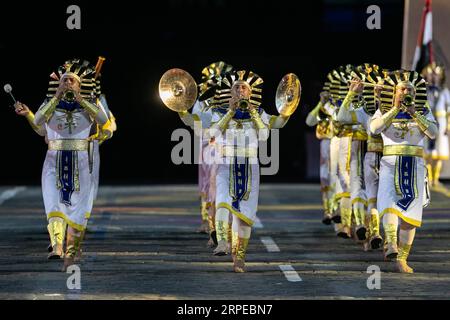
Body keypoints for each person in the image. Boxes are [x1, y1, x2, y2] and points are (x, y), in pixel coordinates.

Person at [14, 59, 109, 271]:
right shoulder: (50, 103)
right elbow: (40, 126)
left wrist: (80, 98)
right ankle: (57, 246)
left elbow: (103, 120)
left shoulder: (89, 103)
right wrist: (32, 112)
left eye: (72, 81)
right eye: (64, 80)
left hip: (80, 160)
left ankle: (72, 250)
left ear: (79, 84)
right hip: (53, 160)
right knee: (53, 202)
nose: (67, 83)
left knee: (78, 206)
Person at [208, 70, 291, 272]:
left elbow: (264, 135)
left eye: (244, 87)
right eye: (236, 87)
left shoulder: (260, 113)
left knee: (245, 214)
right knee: (222, 201)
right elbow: (212, 133)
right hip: (226, 161)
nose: (240, 90)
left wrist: (253, 112)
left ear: (251, 92)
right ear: (231, 91)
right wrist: (230, 111)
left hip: (250, 165)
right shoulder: (218, 112)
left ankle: (239, 257)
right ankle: (221, 241)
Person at [369, 70, 437, 273]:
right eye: (402, 88)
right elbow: (374, 129)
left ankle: (402, 259)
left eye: (409, 89)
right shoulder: (384, 109)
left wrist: (414, 113)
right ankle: (390, 243)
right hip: (390, 163)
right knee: (389, 203)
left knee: (411, 215)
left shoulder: (423, 110)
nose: (406, 91)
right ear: (395, 91)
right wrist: (395, 109)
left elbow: (433, 133)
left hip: (414, 166)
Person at [421, 63, 450, 190]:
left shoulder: (444, 91)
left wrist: (448, 125)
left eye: (436, 75)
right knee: (428, 151)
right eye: (431, 75)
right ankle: (429, 178)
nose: (434, 78)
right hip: (428, 120)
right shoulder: (425, 90)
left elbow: (449, 108)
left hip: (441, 121)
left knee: (439, 150)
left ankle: (436, 178)